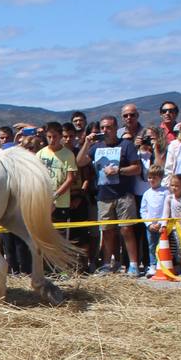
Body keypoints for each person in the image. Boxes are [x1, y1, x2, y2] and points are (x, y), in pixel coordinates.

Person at [78, 114, 142, 275]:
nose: (105, 130)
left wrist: (118, 170)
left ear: (116, 129)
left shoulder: (126, 145)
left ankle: (133, 264)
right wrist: (86, 143)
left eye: (109, 127)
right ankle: (107, 263)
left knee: (126, 229)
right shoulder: (96, 147)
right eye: (103, 127)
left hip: (123, 194)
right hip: (103, 195)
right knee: (106, 231)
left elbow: (137, 168)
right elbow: (79, 162)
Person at [138, 165, 169, 276]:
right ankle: (152, 266)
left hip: (163, 225)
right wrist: (149, 224)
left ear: (160, 178)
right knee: (151, 245)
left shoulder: (166, 192)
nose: (151, 180)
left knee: (163, 245)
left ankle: (164, 265)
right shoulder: (146, 193)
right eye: (150, 177)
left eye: (154, 178)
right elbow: (143, 211)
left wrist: (161, 223)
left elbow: (167, 209)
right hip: (150, 226)